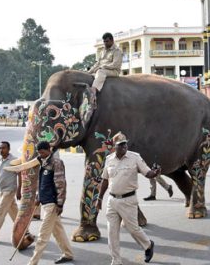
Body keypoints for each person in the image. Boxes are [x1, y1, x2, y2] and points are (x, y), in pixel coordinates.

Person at [97, 133, 160, 264]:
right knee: (111, 233)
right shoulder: (109, 159)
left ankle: (148, 245)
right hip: (112, 201)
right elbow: (105, 180)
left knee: (133, 229)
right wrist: (99, 198)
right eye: (120, 145)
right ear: (114, 147)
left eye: (125, 143)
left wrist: (155, 173)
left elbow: (147, 172)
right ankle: (116, 261)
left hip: (128, 200)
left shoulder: (134, 157)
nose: (124, 146)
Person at [28, 142, 74, 265]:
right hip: (45, 202)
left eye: (43, 152)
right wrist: (38, 197)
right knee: (58, 231)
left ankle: (33, 262)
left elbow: (61, 184)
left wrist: (60, 204)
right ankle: (68, 254)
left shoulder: (56, 163)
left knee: (42, 235)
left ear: (49, 150)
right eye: (39, 153)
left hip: (52, 204)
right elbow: (42, 183)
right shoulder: (43, 162)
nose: (41, 155)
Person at [88, 32, 123, 106]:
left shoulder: (117, 51)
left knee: (100, 72)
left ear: (112, 40)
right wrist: (88, 72)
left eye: (107, 41)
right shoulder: (103, 51)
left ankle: (93, 91)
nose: (105, 43)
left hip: (113, 71)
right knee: (92, 74)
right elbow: (97, 63)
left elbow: (115, 64)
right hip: (102, 69)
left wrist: (103, 66)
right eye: (104, 41)